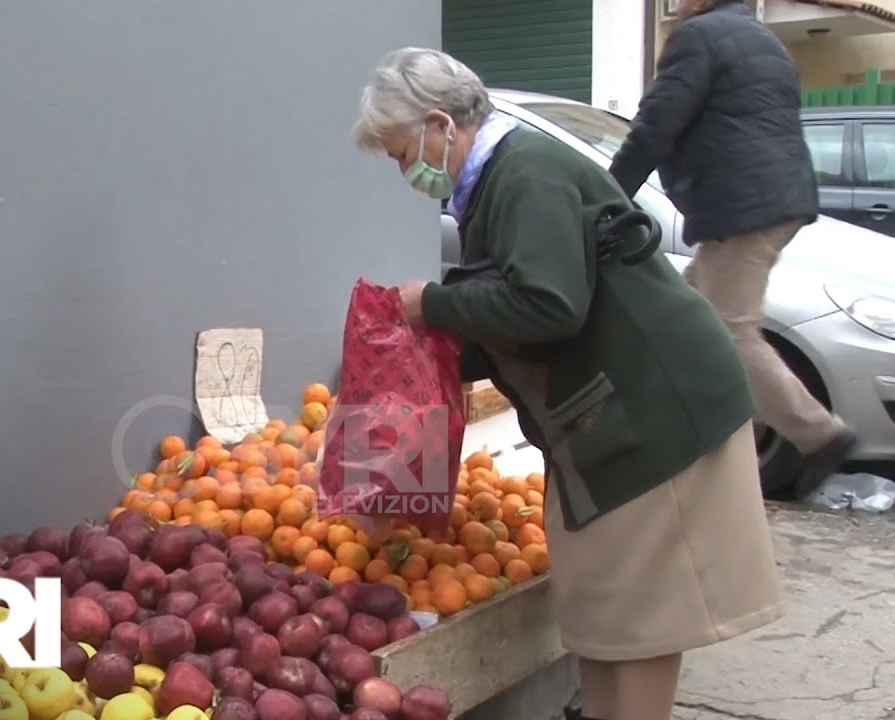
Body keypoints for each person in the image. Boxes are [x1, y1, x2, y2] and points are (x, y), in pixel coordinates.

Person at [351, 47, 784, 720]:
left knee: (641, 611)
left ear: (439, 124)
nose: (404, 167)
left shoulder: (525, 172)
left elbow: (549, 305)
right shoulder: (494, 180)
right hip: (603, 417)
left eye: (402, 150)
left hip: (656, 408)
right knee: (601, 606)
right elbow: (513, 305)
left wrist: (431, 305)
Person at [607, 0, 855, 500]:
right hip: (773, 200)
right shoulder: (762, 40)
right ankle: (701, 433)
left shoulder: (698, 38)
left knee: (730, 328)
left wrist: (606, 197)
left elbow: (656, 125)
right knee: (678, 313)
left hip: (742, 207)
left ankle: (821, 435)